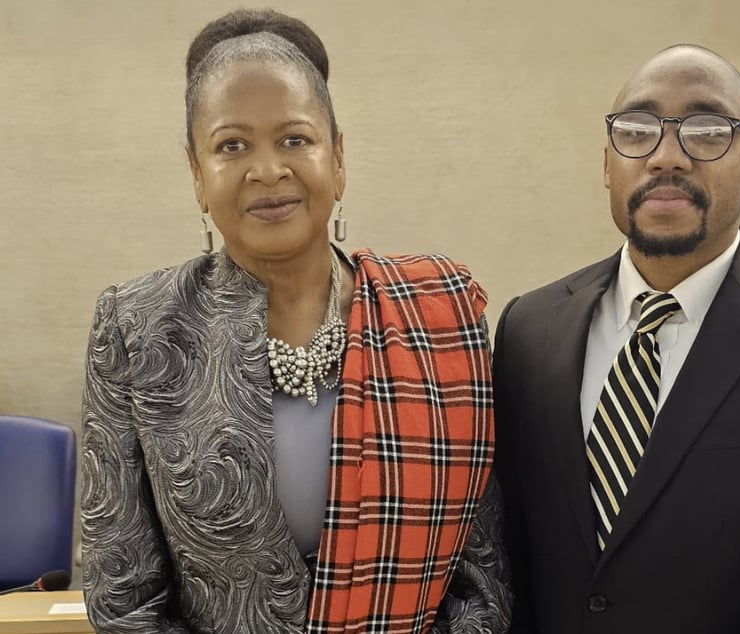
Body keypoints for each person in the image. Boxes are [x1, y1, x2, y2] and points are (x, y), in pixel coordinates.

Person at [80, 9, 510, 633]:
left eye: (294, 139)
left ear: (337, 158)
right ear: (198, 175)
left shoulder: (438, 315)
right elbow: (123, 599)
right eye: (232, 146)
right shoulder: (136, 329)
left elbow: (483, 581)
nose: (267, 170)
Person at [493, 44, 740, 633]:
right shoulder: (530, 326)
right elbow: (509, 555)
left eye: (707, 131)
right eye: (637, 130)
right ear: (608, 163)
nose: (667, 157)